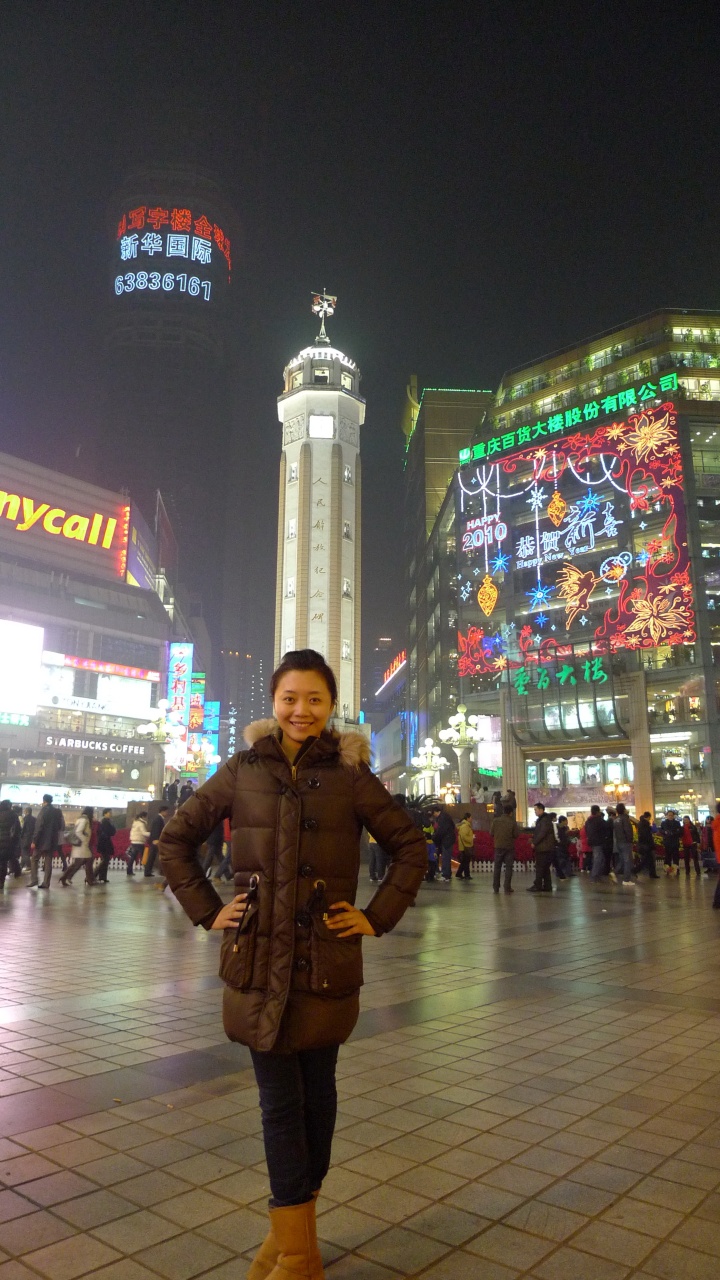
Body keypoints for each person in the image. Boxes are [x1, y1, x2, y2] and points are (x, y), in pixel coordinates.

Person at [159, 648, 426, 1279]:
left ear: (332, 705)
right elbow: (176, 839)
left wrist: (376, 916)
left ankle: (290, 1239)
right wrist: (208, 910)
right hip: (257, 960)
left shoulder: (352, 774)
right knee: (280, 1104)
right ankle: (299, 1251)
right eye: (289, 698)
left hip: (324, 960)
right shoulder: (243, 769)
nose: (301, 710)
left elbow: (410, 846)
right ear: (273, 702)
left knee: (318, 1097)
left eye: (314, 699)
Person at [29, 794, 65, 889]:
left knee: (34, 859)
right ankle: (46, 883)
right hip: (52, 840)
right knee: (48, 862)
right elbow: (60, 826)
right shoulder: (56, 812)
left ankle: (34, 880)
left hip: (41, 841)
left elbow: (39, 827)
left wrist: (34, 840)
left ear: (44, 801)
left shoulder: (43, 811)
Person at [60, 807, 96, 886]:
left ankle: (65, 877)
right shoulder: (84, 820)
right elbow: (78, 831)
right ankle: (89, 880)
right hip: (82, 845)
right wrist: (85, 839)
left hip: (80, 845)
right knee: (83, 861)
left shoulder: (81, 819)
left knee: (83, 862)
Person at [491, 803, 521, 893]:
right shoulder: (512, 822)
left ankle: (496, 887)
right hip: (509, 847)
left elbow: (491, 833)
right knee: (508, 867)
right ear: (511, 813)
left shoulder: (495, 821)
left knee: (497, 867)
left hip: (498, 847)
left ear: (503, 811)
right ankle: (507, 887)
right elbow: (516, 835)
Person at [528, 802, 555, 892]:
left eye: (535, 810)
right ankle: (547, 886)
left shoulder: (544, 820)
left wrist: (534, 842)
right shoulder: (543, 819)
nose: (535, 811)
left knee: (540, 867)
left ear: (541, 810)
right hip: (545, 847)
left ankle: (538, 885)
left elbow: (542, 833)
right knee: (545, 868)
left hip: (543, 848)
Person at [0, 800, 21, 891]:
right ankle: (1, 882)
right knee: (3, 863)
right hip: (8, 842)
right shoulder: (13, 815)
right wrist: (15, 842)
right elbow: (18, 829)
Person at [432, 804, 457, 882]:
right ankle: (448, 874)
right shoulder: (446, 816)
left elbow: (441, 830)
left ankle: (445, 875)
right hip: (449, 839)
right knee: (447, 857)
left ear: (436, 812)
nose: (434, 816)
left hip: (446, 840)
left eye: (433, 813)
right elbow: (452, 826)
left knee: (445, 857)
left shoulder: (442, 818)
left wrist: (434, 838)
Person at [613, 803, 635, 885]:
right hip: (626, 842)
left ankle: (614, 872)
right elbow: (628, 831)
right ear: (624, 810)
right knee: (627, 861)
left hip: (619, 842)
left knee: (622, 860)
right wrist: (630, 840)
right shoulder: (625, 819)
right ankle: (626, 880)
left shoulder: (616, 819)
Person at [145, 806, 170, 877]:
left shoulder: (159, 819)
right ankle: (148, 871)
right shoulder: (158, 819)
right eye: (166, 811)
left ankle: (149, 871)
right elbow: (156, 830)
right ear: (163, 811)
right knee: (152, 856)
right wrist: (156, 839)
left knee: (153, 856)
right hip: (155, 841)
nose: (167, 813)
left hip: (155, 840)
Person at [95, 809, 116, 883]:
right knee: (105, 860)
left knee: (105, 860)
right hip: (104, 843)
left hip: (105, 842)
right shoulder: (105, 822)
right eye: (109, 812)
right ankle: (94, 875)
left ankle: (102, 877)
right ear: (105, 814)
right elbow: (111, 831)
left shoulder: (107, 821)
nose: (110, 814)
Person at [586, 805, 606, 881]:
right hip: (598, 842)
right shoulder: (599, 820)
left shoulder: (588, 821)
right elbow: (605, 829)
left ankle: (596, 875)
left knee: (597, 858)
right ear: (598, 811)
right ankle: (594, 876)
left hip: (591, 842)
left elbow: (587, 831)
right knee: (598, 859)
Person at [637, 812, 659, 878]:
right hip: (647, 845)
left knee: (648, 860)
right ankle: (635, 870)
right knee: (647, 860)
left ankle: (652, 874)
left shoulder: (640, 823)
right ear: (649, 817)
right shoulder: (646, 824)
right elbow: (648, 835)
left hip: (643, 844)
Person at [127, 810, 149, 875]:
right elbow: (144, 833)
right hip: (139, 842)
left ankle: (129, 871)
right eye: (146, 817)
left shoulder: (135, 822)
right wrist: (152, 834)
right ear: (143, 816)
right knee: (143, 857)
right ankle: (147, 871)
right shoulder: (141, 824)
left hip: (134, 841)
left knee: (132, 857)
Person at [661, 810, 682, 876]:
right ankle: (667, 870)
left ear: (673, 816)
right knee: (667, 857)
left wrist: (673, 833)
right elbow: (661, 830)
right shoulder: (663, 823)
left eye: (671, 815)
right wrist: (665, 832)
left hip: (675, 842)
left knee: (676, 857)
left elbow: (679, 831)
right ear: (667, 816)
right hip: (667, 842)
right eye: (669, 815)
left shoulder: (677, 823)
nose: (670, 816)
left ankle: (676, 870)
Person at [455, 812, 474, 880]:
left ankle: (459, 873)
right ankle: (466, 875)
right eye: (471, 817)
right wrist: (471, 838)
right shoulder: (465, 826)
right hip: (466, 846)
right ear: (467, 818)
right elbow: (464, 836)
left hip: (463, 846)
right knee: (466, 861)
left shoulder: (464, 825)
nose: (471, 819)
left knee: (464, 861)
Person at [20, 806, 36, 870]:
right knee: (26, 852)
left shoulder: (25, 819)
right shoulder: (34, 819)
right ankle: (21, 865)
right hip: (31, 838)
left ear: (26, 812)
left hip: (25, 838)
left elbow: (23, 829)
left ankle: (29, 866)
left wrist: (21, 836)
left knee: (24, 852)